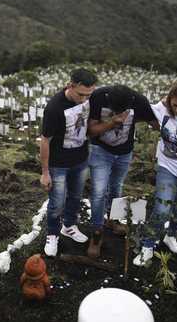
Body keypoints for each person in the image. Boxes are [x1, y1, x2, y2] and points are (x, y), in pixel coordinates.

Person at [133, 82, 177, 266]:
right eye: (174, 105)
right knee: (162, 208)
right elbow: (140, 106)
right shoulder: (162, 110)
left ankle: (170, 236)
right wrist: (164, 101)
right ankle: (147, 246)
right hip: (167, 167)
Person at [86, 85, 157, 258]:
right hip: (100, 150)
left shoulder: (139, 100)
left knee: (117, 186)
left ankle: (113, 220)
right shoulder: (98, 97)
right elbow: (91, 131)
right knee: (98, 192)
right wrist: (112, 123)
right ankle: (96, 234)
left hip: (124, 152)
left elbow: (157, 124)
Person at [40, 68, 98, 257]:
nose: (84, 99)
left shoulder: (89, 98)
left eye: (88, 95)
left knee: (75, 197)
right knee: (56, 202)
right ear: (70, 85)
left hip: (81, 159)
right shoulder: (54, 108)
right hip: (59, 164)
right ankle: (52, 234)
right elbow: (45, 140)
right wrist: (45, 172)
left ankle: (69, 226)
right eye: (81, 94)